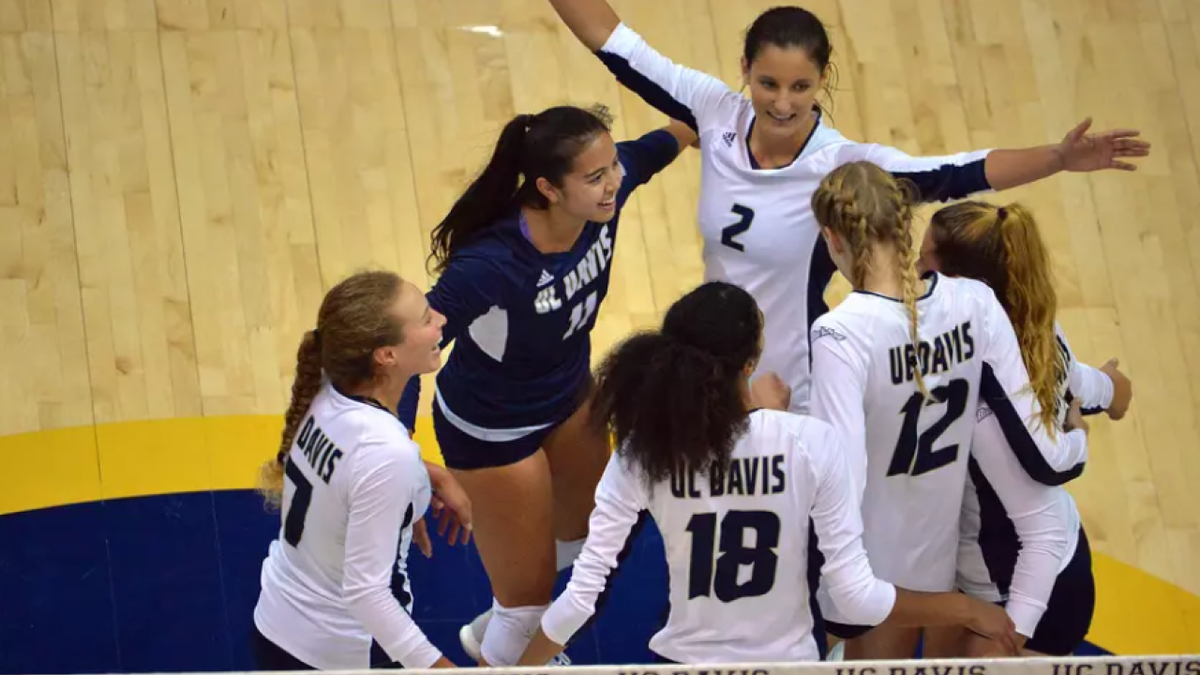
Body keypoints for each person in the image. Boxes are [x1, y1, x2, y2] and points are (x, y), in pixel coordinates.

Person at [546, 0, 1151, 415]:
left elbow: (957, 171)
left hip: (793, 386)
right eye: (767, 83)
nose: (782, 104)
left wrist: (1059, 158)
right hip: (711, 366)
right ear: (745, 73)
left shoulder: (842, 167)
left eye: (800, 87)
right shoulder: (714, 109)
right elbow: (613, 41)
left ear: (823, 80)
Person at [513, 281, 1019, 666]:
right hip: (789, 666)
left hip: (683, 663)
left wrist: (516, 672)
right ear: (751, 361)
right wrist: (968, 610)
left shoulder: (643, 451)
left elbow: (581, 598)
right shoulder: (811, 442)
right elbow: (856, 598)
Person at [394, 105, 698, 667]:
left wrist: (719, 121)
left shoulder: (605, 194)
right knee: (529, 601)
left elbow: (665, 142)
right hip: (491, 429)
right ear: (547, 189)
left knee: (594, 540)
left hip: (568, 396)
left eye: (611, 168)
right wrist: (399, 452)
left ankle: (493, 632)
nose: (613, 182)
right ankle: (510, 643)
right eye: (595, 176)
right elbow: (413, 352)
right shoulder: (489, 265)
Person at [806, 162, 1085, 660]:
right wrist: (1079, 436)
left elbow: (838, 479)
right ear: (905, 226)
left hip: (875, 567)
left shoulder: (839, 333)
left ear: (833, 239)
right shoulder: (975, 301)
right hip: (943, 555)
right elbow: (1037, 443)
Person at [916, 200, 1134, 657]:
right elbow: (1089, 387)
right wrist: (1113, 393)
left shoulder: (980, 395)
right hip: (1002, 579)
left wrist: (1011, 636)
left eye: (925, 260)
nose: (915, 267)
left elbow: (1042, 530)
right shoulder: (1037, 327)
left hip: (1025, 593)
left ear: (960, 283)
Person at [252, 270, 471, 670]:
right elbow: (366, 594)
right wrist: (442, 669)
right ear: (386, 355)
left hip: (276, 623)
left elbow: (355, 465)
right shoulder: (387, 453)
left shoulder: (328, 387)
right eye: (425, 319)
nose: (440, 320)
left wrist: (425, 478)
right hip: (343, 654)